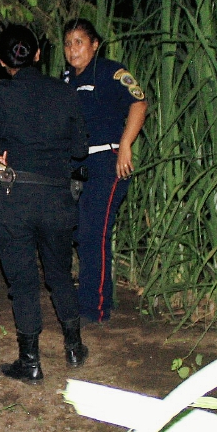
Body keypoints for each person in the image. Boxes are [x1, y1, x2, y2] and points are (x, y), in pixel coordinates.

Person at [0, 25, 88, 382]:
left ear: (2, 62)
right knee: (59, 273)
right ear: (38, 54)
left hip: (15, 197)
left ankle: (30, 363)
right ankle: (74, 347)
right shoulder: (64, 92)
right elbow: (80, 149)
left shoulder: (0, 94)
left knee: (23, 281)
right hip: (57, 197)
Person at [61, 19, 148, 323]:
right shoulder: (65, 79)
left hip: (105, 163)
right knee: (73, 228)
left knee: (93, 233)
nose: (73, 49)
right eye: (68, 43)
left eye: (79, 42)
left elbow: (139, 104)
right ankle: (92, 296)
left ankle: (94, 309)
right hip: (74, 165)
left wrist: (125, 145)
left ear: (95, 44)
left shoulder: (112, 72)